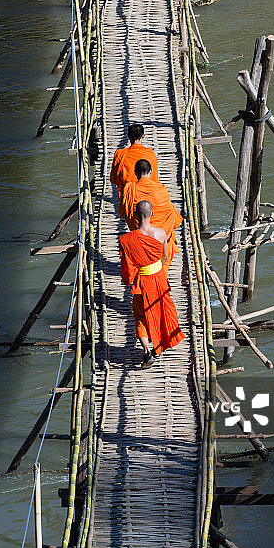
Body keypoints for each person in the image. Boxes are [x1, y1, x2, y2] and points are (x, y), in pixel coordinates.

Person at [119, 200, 185, 368]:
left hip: (142, 283)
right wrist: (156, 269)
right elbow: (165, 256)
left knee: (141, 317)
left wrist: (129, 279)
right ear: (152, 213)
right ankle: (159, 345)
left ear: (135, 215)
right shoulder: (161, 233)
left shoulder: (127, 239)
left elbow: (127, 266)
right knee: (162, 310)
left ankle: (147, 351)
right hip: (159, 279)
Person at [119, 158, 182, 274]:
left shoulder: (129, 190)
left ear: (135, 173)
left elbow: (123, 213)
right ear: (151, 172)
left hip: (140, 239)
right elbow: (171, 213)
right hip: (160, 237)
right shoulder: (161, 189)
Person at [110, 123, 160, 197]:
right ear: (143, 136)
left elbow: (114, 179)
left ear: (129, 136)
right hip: (147, 194)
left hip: (129, 195)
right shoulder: (150, 153)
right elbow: (154, 179)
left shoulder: (120, 154)